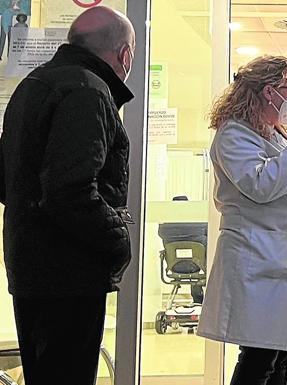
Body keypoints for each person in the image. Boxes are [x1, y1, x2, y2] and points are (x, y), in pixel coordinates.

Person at [0, 6, 135, 385]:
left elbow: (5, 178)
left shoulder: (33, 84)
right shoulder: (89, 91)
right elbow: (70, 190)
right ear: (124, 55)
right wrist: (117, 240)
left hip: (30, 267)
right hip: (70, 273)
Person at [197, 55, 287, 385]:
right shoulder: (233, 135)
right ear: (270, 92)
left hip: (285, 262)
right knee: (259, 359)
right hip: (257, 261)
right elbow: (260, 185)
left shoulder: (273, 134)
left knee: (280, 355)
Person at [157, 196, 207, 304]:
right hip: (198, 266)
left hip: (174, 266)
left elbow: (160, 234)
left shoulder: (165, 226)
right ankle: (198, 299)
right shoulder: (198, 223)